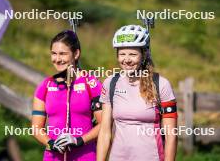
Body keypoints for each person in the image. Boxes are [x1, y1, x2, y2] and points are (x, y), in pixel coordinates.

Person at [97, 25, 177, 161]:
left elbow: (171, 135)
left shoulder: (161, 84)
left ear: (144, 55)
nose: (126, 60)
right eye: (122, 54)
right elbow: (105, 132)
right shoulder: (110, 83)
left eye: (133, 54)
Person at [32, 30, 102, 161]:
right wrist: (51, 144)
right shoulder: (45, 86)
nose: (57, 59)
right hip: (52, 157)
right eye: (54, 54)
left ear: (76, 54)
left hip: (85, 156)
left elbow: (103, 125)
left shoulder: (91, 84)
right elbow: (36, 128)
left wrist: (78, 141)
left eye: (63, 54)